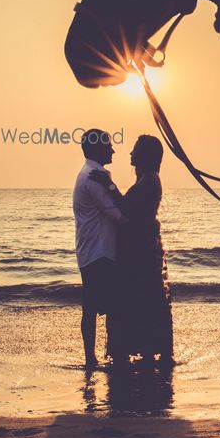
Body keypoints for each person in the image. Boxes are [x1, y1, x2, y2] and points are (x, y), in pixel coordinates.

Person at [89, 135, 174, 366]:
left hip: (141, 252)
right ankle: (146, 350)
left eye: (134, 150)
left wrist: (109, 185)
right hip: (141, 248)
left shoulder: (149, 181)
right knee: (142, 300)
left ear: (145, 154)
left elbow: (126, 207)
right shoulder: (148, 179)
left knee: (140, 299)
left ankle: (143, 351)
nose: (129, 153)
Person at [72, 128, 126, 368]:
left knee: (94, 305)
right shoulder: (94, 176)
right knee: (107, 306)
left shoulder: (89, 174)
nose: (113, 149)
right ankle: (96, 357)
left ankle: (95, 357)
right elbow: (117, 215)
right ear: (97, 149)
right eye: (108, 145)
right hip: (100, 251)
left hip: (91, 249)